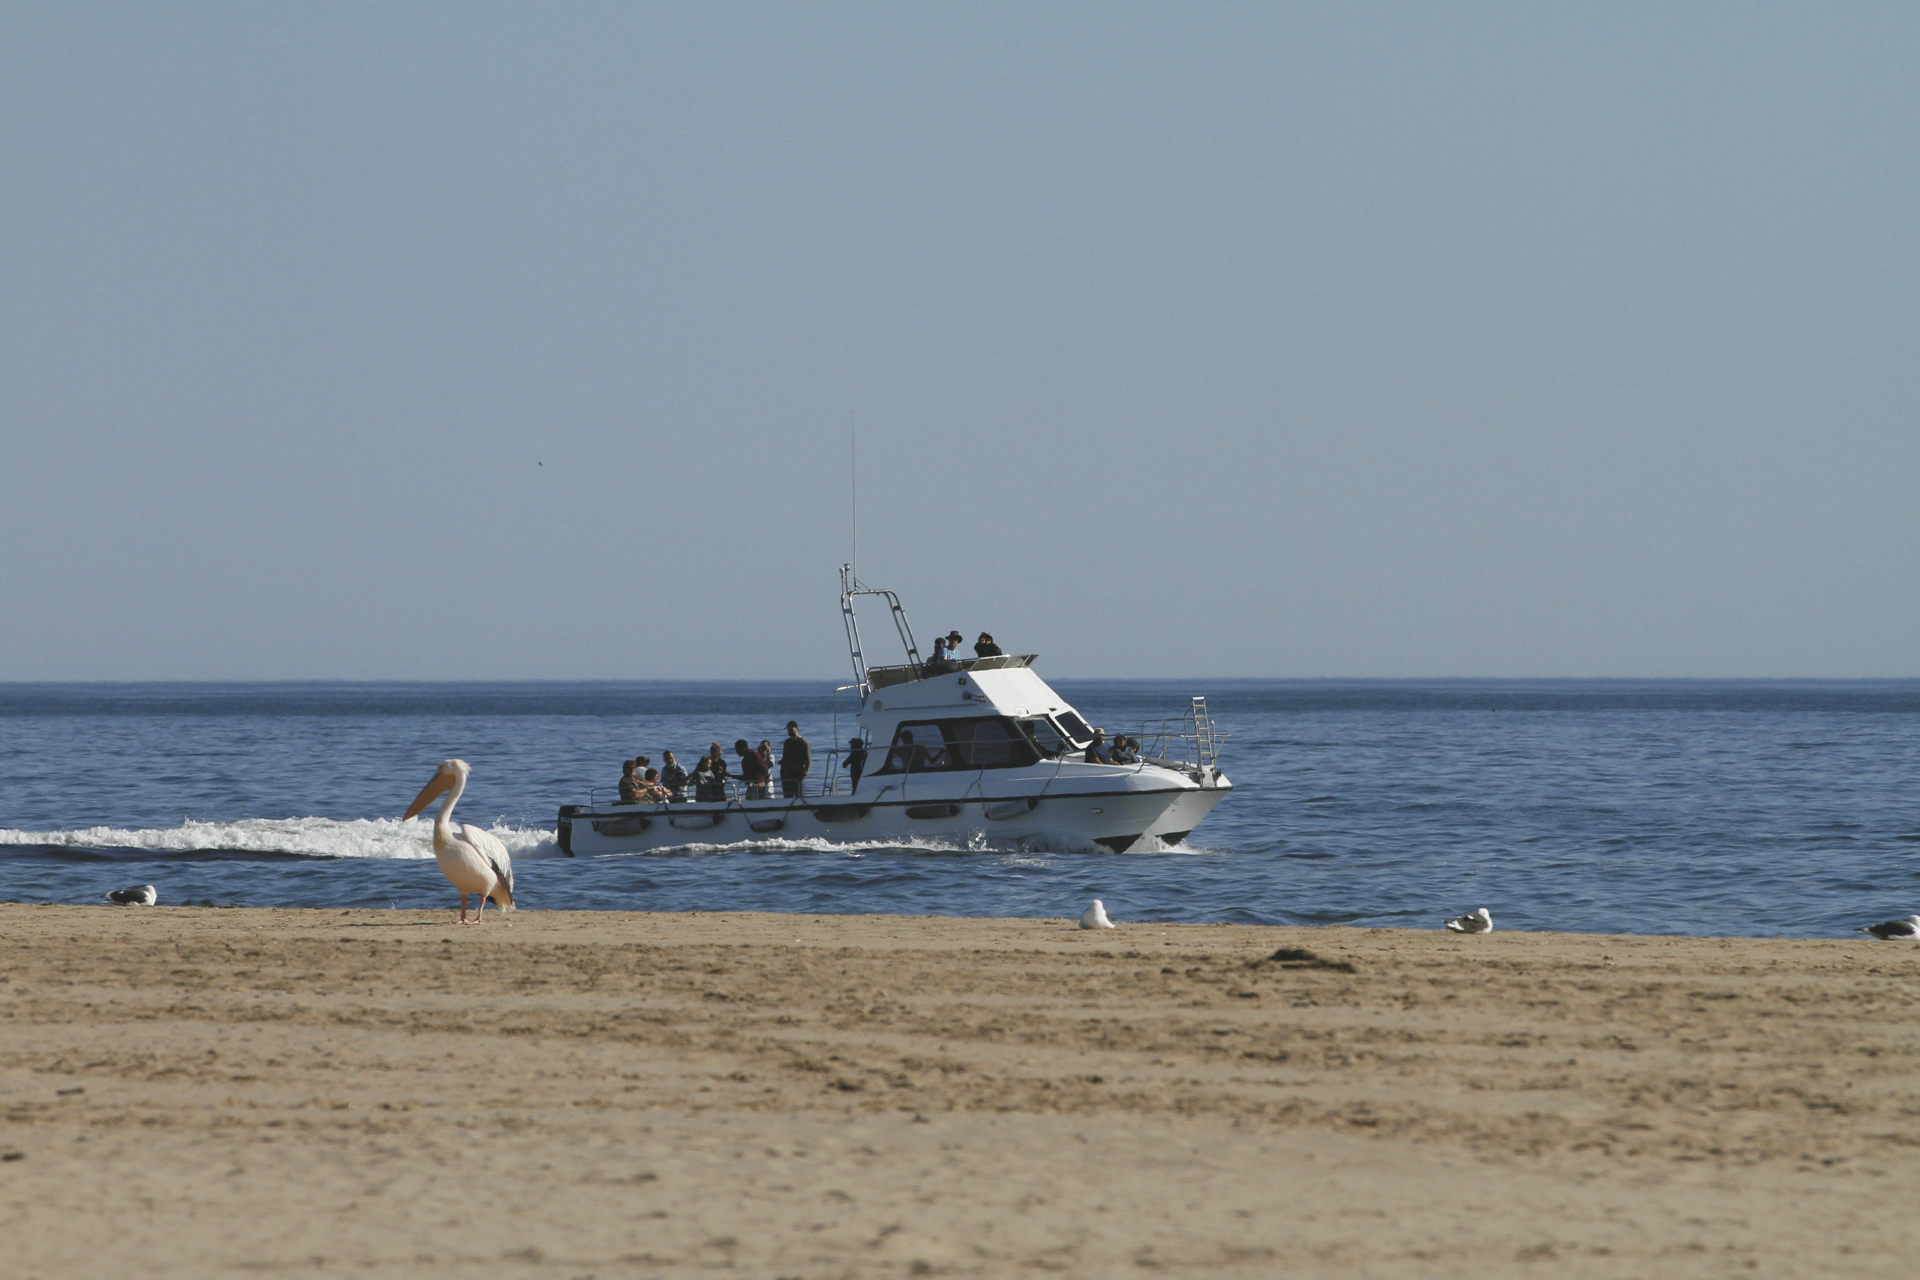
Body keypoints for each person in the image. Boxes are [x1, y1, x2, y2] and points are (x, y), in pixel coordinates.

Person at [779, 721, 811, 798]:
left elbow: (808, 761)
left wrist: (804, 774)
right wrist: (782, 770)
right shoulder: (787, 742)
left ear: (796, 729)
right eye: (788, 730)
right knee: (787, 797)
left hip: (798, 775)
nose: (789, 732)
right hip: (787, 775)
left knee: (800, 798)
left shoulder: (803, 743)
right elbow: (784, 758)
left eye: (791, 729)